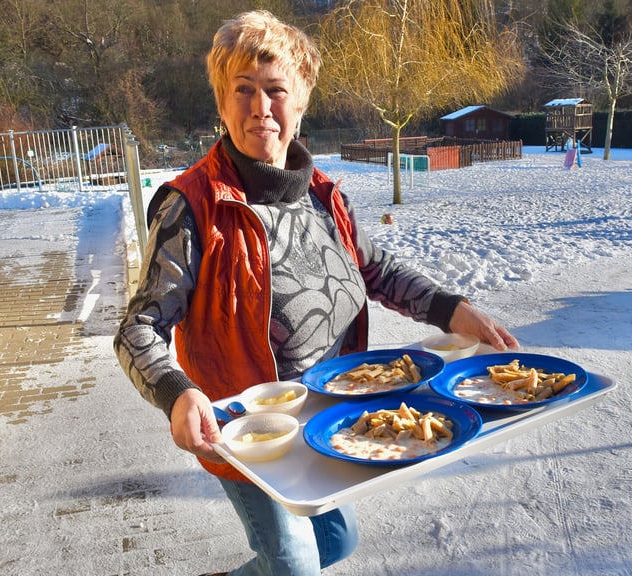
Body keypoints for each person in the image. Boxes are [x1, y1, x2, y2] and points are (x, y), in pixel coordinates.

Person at [114, 10, 519, 576]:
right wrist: (177, 393)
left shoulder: (326, 196)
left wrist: (454, 309)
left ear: (301, 102)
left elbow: (374, 270)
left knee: (336, 543)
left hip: (328, 418)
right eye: (243, 91)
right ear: (221, 103)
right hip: (247, 432)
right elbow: (138, 327)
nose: (260, 108)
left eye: (276, 90)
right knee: (297, 564)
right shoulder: (191, 205)